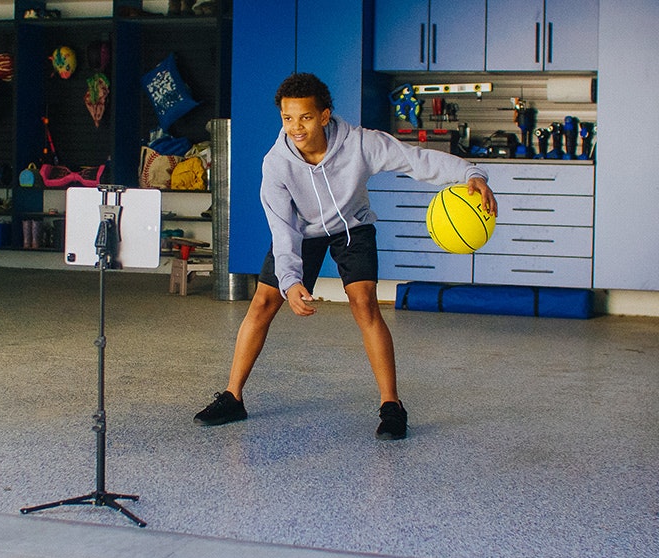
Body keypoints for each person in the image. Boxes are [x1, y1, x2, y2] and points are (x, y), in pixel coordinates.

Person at [194, 73, 497, 440]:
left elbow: (415, 160)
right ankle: (232, 396)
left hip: (352, 227)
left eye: (305, 117)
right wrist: (290, 281)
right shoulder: (276, 163)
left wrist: (470, 172)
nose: (295, 127)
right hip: (303, 231)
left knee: (364, 303)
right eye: (288, 118)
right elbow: (281, 229)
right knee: (262, 303)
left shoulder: (360, 144)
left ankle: (392, 407)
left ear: (324, 116)